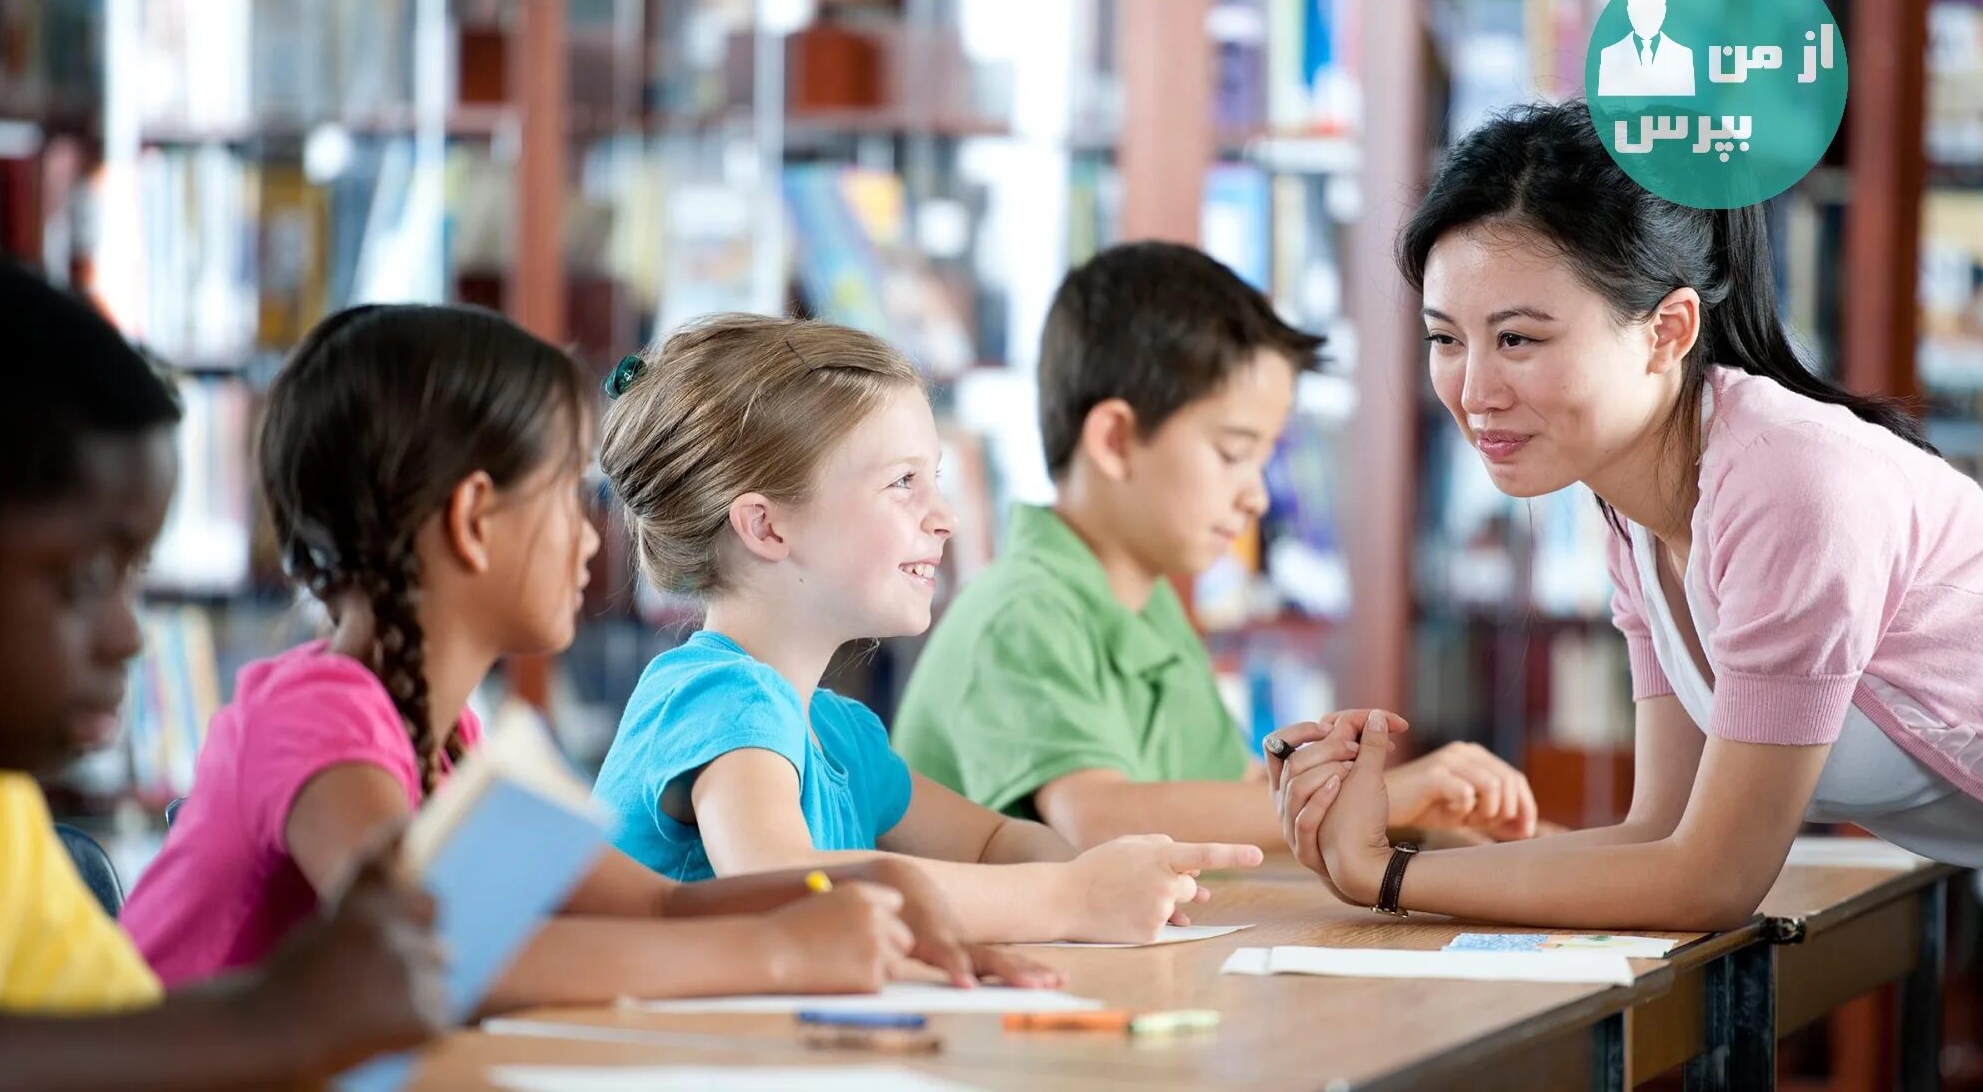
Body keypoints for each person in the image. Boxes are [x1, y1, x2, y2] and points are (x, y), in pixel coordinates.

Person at [122, 303, 1053, 1006]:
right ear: (473, 521)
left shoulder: (449, 742)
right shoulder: (317, 713)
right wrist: (777, 950)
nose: (593, 539)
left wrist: (881, 904)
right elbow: (427, 957)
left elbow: (652, 905)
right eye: (568, 497)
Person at [1276, 100, 1983, 930]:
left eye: (1518, 340)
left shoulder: (1790, 481)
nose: (1473, 395)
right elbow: (1657, 835)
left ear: (1667, 330)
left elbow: (1711, 883)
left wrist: (1386, 875)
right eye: (1446, 339)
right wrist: (1377, 853)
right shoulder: (1640, 507)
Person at [593, 313, 1262, 943]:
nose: (945, 517)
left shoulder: (838, 736)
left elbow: (993, 842)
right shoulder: (719, 699)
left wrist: (1098, 872)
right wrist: (1072, 900)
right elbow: (789, 890)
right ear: (767, 526)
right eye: (903, 482)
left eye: (934, 479)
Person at [892, 241, 1539, 850]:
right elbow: (1098, 817)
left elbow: (1234, 806)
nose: (1255, 497)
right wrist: (1388, 796)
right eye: (1233, 453)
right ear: (1115, 439)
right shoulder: (1021, 611)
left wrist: (1422, 825)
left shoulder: (1147, 609)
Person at [0, 256, 446, 1090]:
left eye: (134, 575)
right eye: (84, 578)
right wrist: (276, 1020)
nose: (129, 636)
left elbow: (115, 1044)